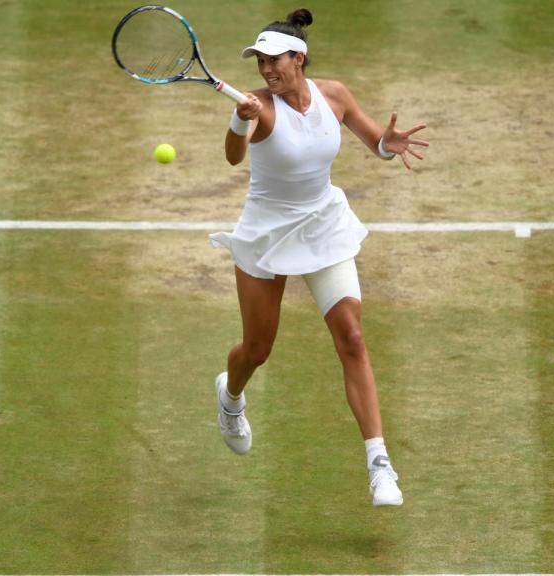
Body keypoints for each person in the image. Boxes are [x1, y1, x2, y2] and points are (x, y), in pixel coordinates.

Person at [208, 8, 428, 507]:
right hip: (267, 232)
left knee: (351, 335)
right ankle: (231, 397)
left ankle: (379, 463)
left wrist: (387, 145)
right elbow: (232, 158)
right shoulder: (257, 107)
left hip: (324, 223)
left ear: (298, 58)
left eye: (274, 60)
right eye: (260, 63)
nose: (266, 71)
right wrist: (237, 122)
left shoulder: (335, 95)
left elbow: (374, 140)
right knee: (257, 350)